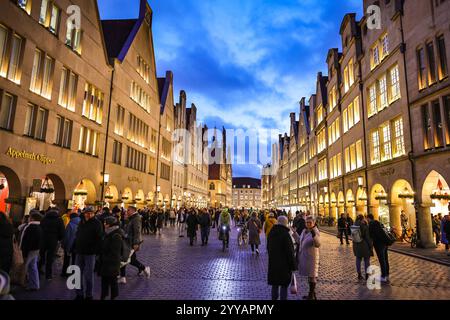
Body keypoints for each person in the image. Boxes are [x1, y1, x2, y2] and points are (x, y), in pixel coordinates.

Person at [74, 206, 103, 300]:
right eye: (87, 212)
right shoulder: (81, 222)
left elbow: (99, 238)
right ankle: (79, 294)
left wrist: (96, 250)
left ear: (94, 213)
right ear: (84, 213)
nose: (89, 214)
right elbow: (77, 235)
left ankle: (89, 295)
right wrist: (74, 247)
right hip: (79, 251)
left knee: (88, 275)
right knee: (77, 273)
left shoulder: (97, 223)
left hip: (90, 253)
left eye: (91, 213)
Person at [267, 216, 297, 300]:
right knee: (284, 286)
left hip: (273, 264)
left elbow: (268, 248)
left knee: (275, 285)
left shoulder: (271, 233)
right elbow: (290, 252)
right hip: (284, 266)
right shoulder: (286, 235)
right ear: (285, 223)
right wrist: (293, 266)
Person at [119, 206, 150, 284]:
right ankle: (123, 276)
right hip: (127, 241)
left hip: (131, 242)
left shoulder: (136, 218)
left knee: (127, 259)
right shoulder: (131, 218)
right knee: (128, 259)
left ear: (133, 210)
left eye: (128, 210)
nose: (126, 212)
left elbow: (137, 231)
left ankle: (144, 268)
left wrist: (136, 243)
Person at [99, 217, 123, 300]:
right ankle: (103, 296)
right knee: (104, 281)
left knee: (113, 282)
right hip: (105, 261)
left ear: (110, 224)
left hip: (112, 262)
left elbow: (115, 251)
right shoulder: (107, 233)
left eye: (106, 223)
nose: (104, 224)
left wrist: (105, 256)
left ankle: (113, 297)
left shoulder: (116, 235)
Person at [298, 216, 320, 300]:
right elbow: (300, 241)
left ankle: (311, 295)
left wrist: (314, 236)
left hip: (312, 257)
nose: (308, 224)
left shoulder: (315, 231)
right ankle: (312, 293)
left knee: (312, 276)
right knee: (309, 276)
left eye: (310, 222)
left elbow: (318, 244)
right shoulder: (304, 231)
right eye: (307, 222)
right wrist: (294, 233)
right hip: (305, 256)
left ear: (313, 223)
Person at [19, 211, 43, 291]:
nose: (28, 219)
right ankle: (35, 284)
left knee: (24, 267)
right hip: (35, 250)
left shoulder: (30, 227)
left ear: (32, 218)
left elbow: (26, 241)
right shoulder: (39, 227)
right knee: (33, 267)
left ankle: (22, 283)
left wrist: (23, 252)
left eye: (29, 217)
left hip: (29, 250)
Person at [39, 208, 65, 280]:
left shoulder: (44, 219)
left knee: (41, 256)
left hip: (43, 239)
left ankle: (38, 270)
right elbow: (62, 231)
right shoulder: (59, 220)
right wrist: (58, 238)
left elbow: (40, 228)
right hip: (53, 240)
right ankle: (48, 275)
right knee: (50, 258)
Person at [367, 214, 391, 283]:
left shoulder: (371, 224)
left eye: (367, 219)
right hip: (384, 243)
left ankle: (383, 276)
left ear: (369, 218)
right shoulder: (378, 223)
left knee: (382, 260)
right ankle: (387, 275)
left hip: (379, 244)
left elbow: (371, 235)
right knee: (386, 259)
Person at [351, 214, 373, 281]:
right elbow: (367, 237)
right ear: (362, 219)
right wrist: (370, 246)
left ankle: (359, 274)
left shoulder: (353, 226)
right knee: (366, 260)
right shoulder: (364, 226)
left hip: (356, 244)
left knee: (358, 259)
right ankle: (367, 275)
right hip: (364, 245)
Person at [61, 211, 80, 277]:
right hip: (77, 244)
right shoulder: (82, 223)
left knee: (67, 259)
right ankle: (73, 272)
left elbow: (66, 236)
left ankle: (64, 272)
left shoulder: (70, 224)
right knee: (75, 259)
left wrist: (63, 245)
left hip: (70, 244)